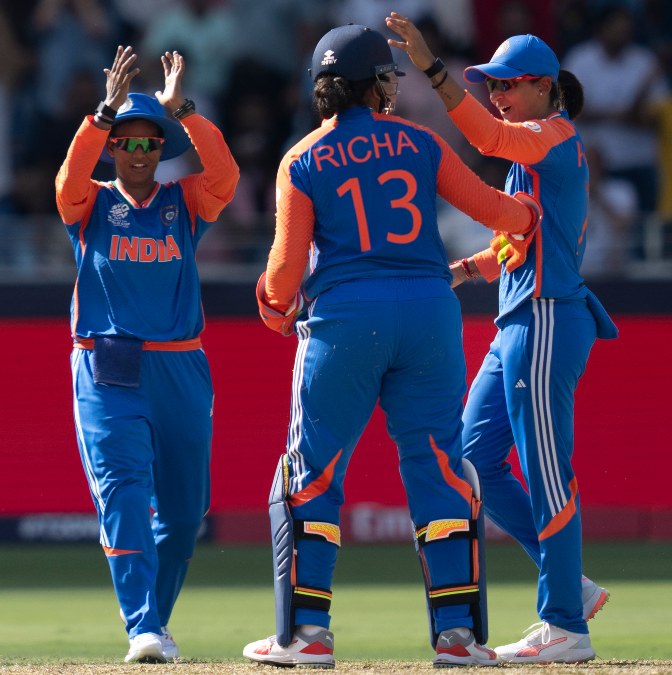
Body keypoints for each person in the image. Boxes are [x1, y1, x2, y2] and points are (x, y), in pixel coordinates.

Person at [239, 25, 542, 668]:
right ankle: (458, 638)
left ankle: (308, 637)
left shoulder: (302, 159)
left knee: (312, 472)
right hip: (431, 318)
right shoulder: (421, 142)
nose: (391, 89)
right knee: (438, 467)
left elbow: (286, 278)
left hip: (344, 321)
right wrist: (529, 220)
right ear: (374, 82)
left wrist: (270, 308)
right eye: (388, 79)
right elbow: (499, 210)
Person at [386, 14, 619, 665]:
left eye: (509, 84)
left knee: (548, 474)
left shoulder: (549, 137)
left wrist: (435, 71)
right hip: (517, 319)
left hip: (544, 320)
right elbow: (517, 241)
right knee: (476, 458)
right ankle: (564, 580)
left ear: (546, 88)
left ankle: (566, 625)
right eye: (491, 85)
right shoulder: (531, 154)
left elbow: (484, 134)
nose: (497, 96)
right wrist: (467, 269)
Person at [54, 46, 238, 663]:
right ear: (111, 148)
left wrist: (181, 107)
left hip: (181, 363)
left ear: (162, 149)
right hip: (109, 363)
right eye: (126, 144)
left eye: (149, 144)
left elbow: (226, 177)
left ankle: (153, 623)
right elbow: (66, 183)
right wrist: (100, 115)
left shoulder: (184, 202)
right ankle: (143, 628)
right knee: (125, 493)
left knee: (185, 515)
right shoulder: (92, 206)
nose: (138, 154)